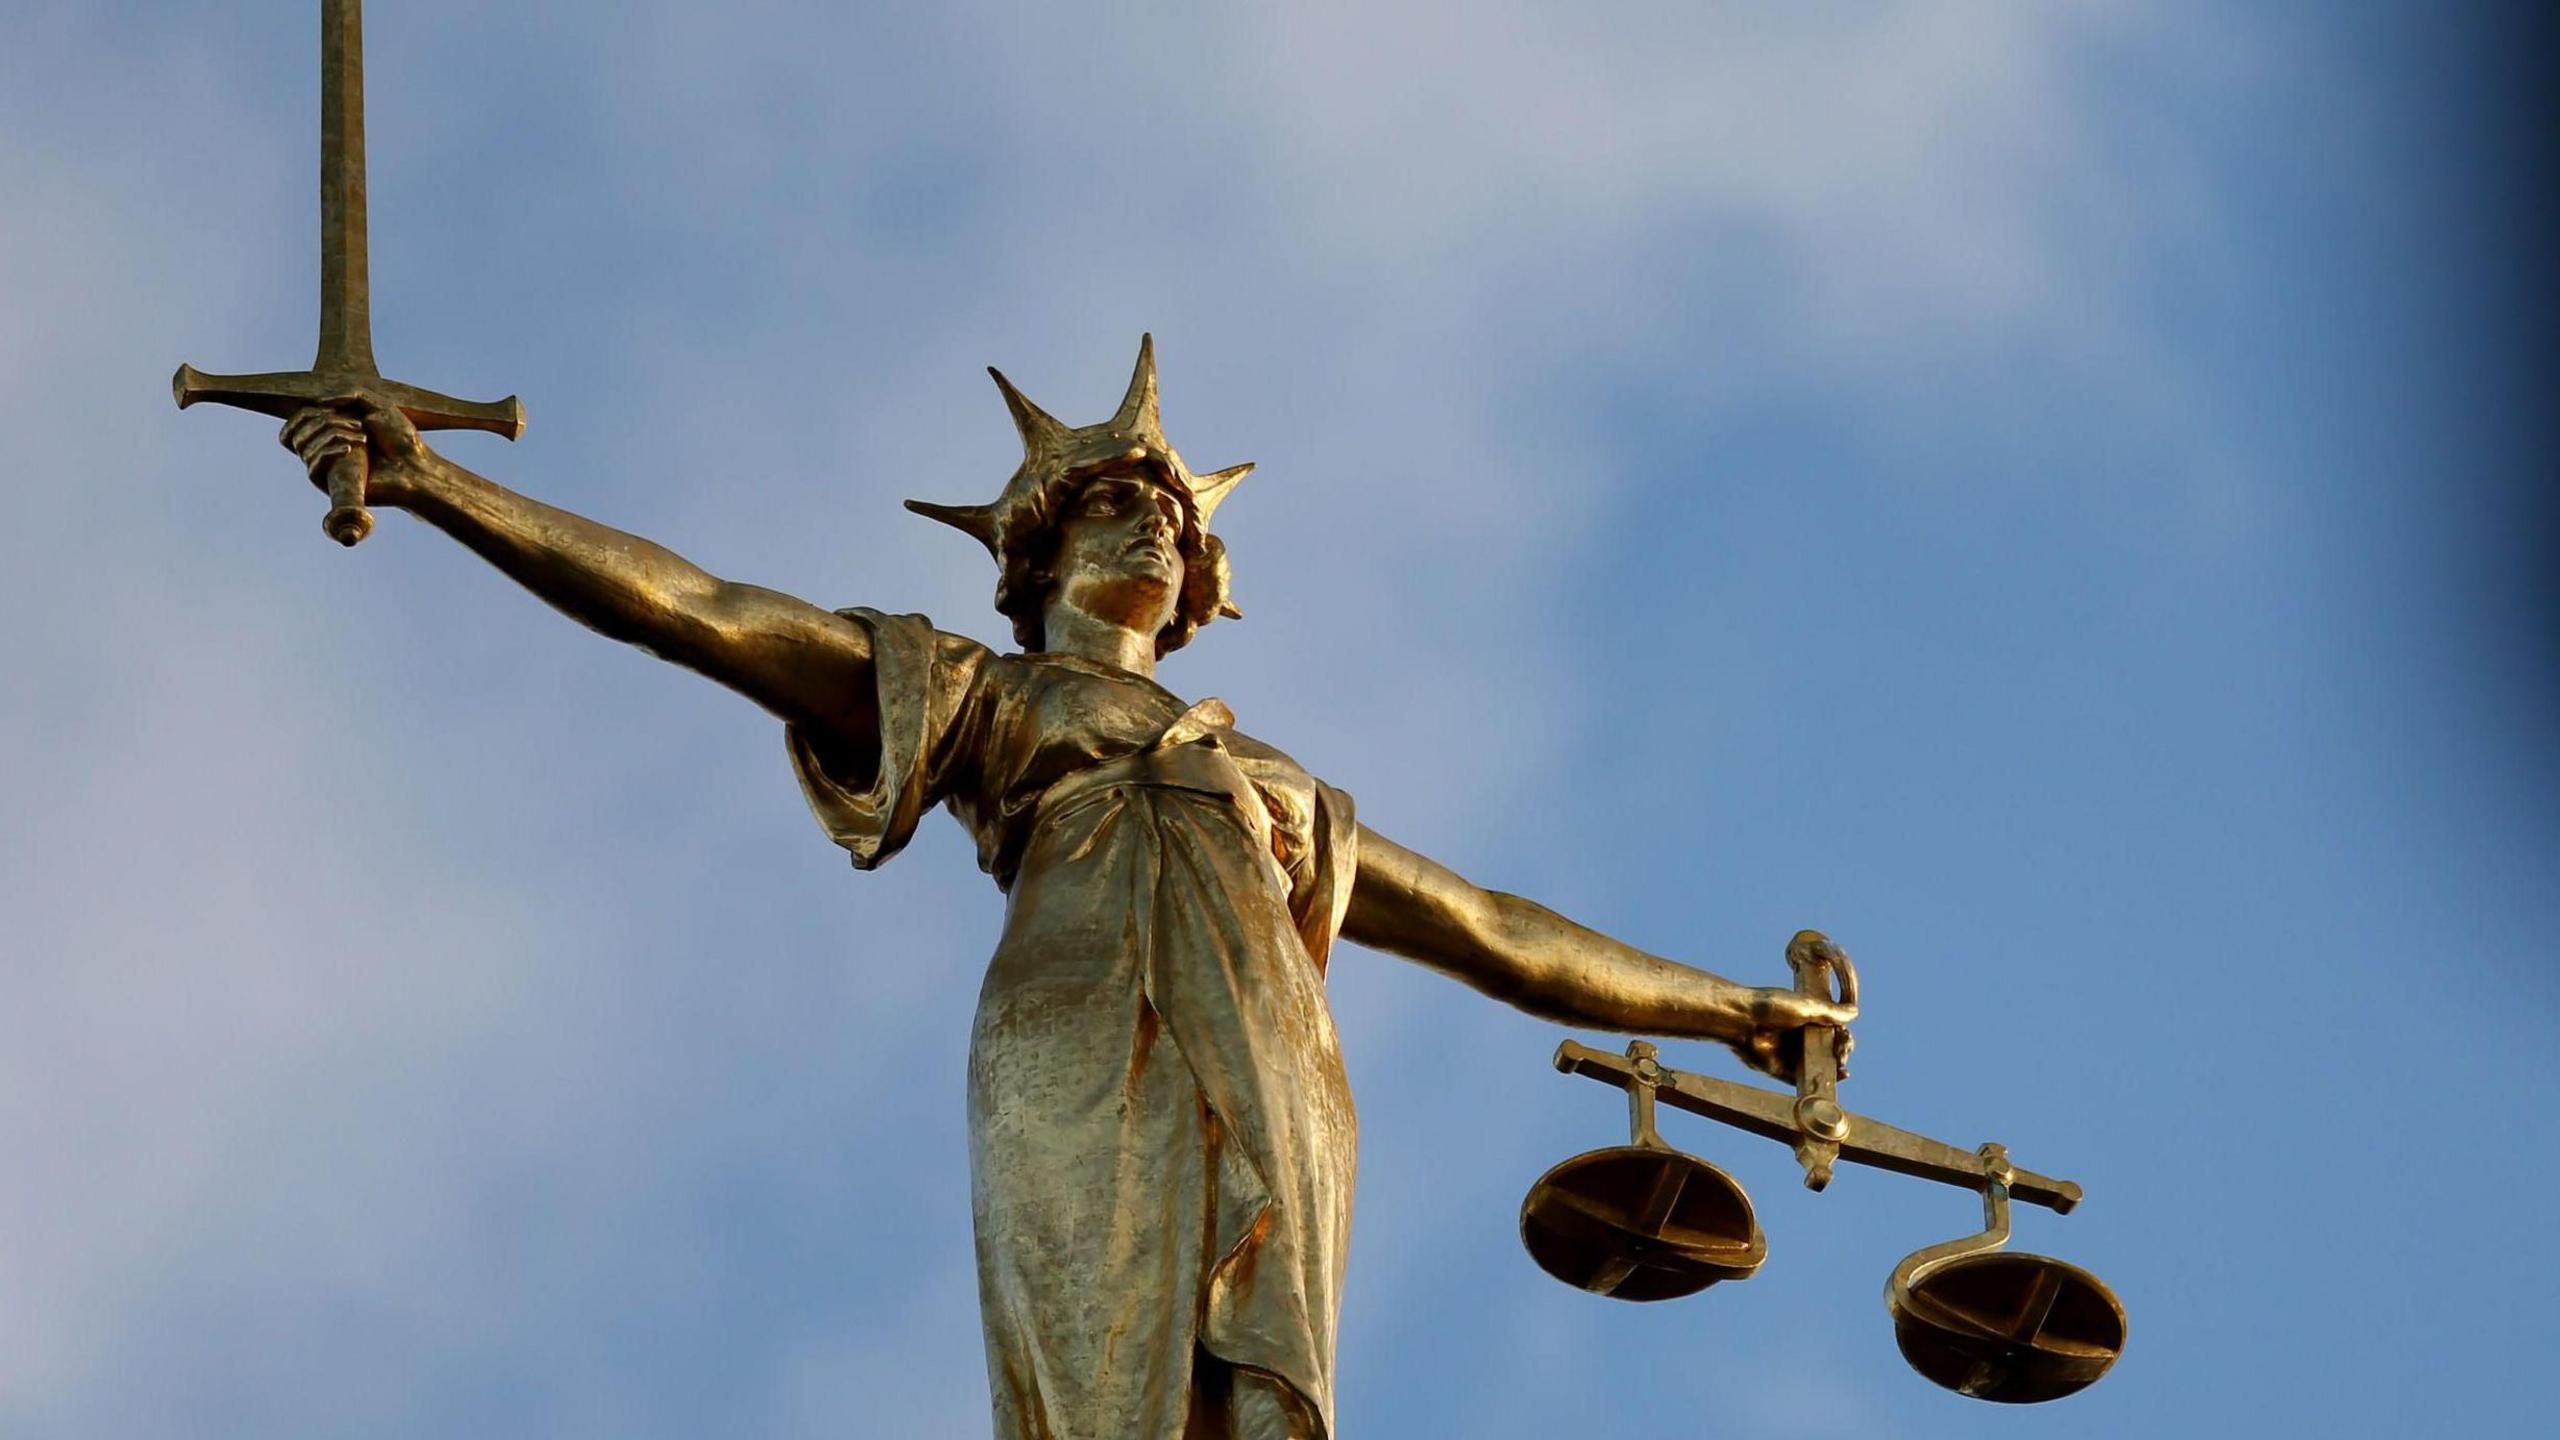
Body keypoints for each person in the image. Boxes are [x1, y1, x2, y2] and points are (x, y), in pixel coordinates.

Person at [278, 337, 1854, 1440]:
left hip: (1277, 1070)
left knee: (1253, 1392)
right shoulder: (991, 698)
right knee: (1100, 1375)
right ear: (1033, 559)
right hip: (1083, 1032)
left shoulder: (1283, 791)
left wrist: (1739, 1013)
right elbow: (702, 612)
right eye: (1114, 504)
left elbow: (1487, 928)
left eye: (1171, 517)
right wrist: (437, 488)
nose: (1152, 528)